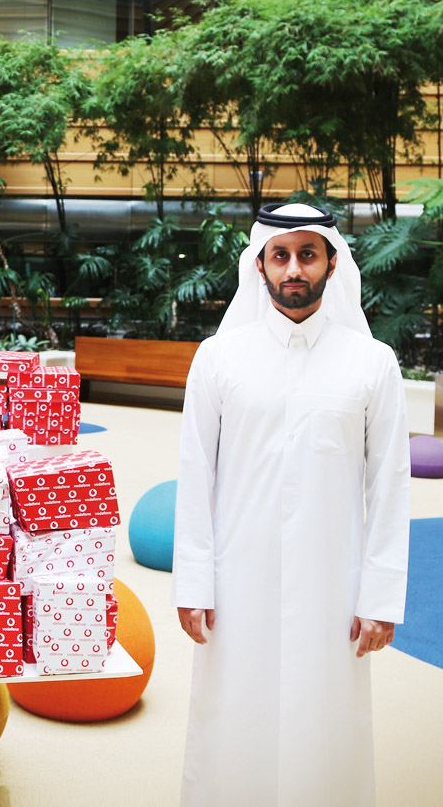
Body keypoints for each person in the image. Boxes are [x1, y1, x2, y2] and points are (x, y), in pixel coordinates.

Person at [172, 203, 410, 807]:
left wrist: (379, 599)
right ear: (260, 267)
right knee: (232, 720)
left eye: (308, 254)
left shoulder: (373, 364)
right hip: (237, 581)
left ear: (333, 261)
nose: (294, 269)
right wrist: (193, 582)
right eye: (281, 256)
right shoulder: (218, 357)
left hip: (334, 586)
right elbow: (195, 473)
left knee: (327, 730)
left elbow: (390, 485)